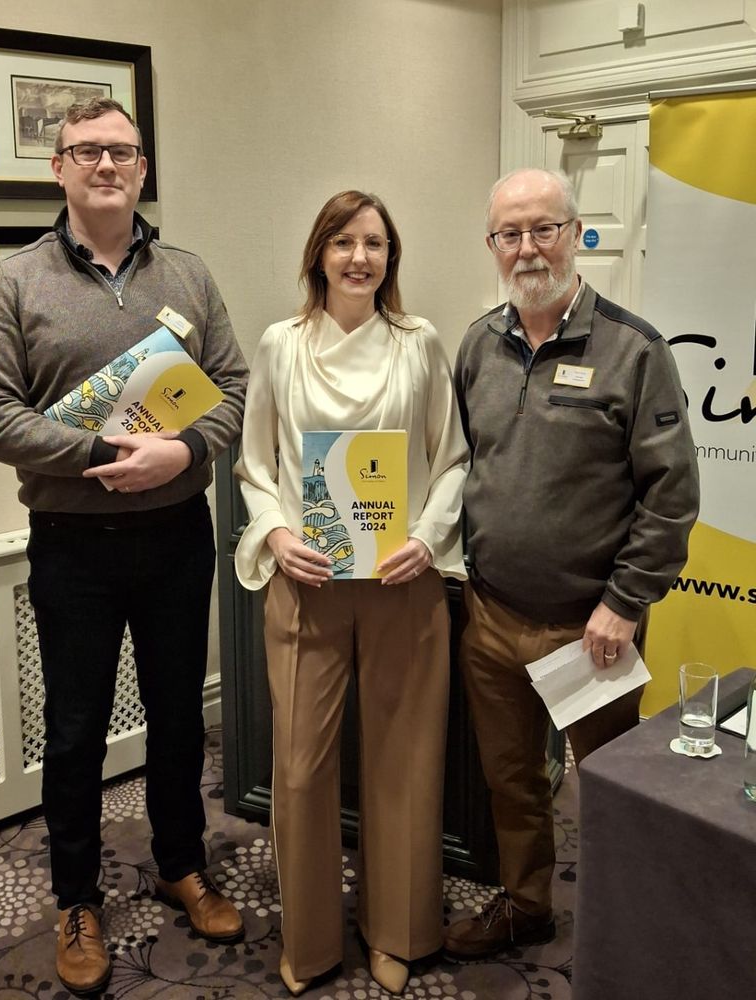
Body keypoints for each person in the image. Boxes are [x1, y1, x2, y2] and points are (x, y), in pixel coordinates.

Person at [0, 98, 249, 996]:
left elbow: (234, 388)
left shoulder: (190, 277)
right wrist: (96, 455)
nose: (106, 165)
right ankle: (77, 898)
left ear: (143, 166)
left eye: (122, 150)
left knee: (174, 717)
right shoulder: (15, 281)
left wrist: (186, 448)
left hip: (175, 534)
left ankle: (179, 863)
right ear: (60, 169)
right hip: (72, 544)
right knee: (77, 728)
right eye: (86, 151)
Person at [445, 168, 699, 959]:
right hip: (489, 618)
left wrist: (624, 603)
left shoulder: (635, 350)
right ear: (492, 245)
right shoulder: (478, 344)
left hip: (592, 629)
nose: (527, 248)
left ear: (576, 233)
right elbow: (463, 464)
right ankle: (528, 904)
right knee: (511, 781)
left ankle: (621, 927)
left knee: (608, 788)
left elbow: (671, 495)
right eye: (509, 233)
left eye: (543, 228)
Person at [234, 191, 469, 995]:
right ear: (318, 255)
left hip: (403, 580)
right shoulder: (280, 344)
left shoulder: (418, 343)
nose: (359, 257)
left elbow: (455, 460)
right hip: (310, 582)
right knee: (299, 770)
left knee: (404, 762)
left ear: (390, 258)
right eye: (343, 242)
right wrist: (275, 533)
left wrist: (428, 540)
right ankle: (310, 942)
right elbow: (254, 466)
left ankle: (396, 933)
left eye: (374, 243)